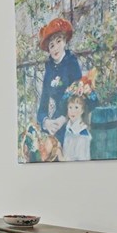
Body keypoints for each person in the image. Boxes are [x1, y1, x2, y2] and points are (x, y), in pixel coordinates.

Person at [35, 17, 82, 147]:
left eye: (58, 41)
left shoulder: (71, 62)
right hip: (56, 123)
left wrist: (64, 118)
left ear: (65, 41)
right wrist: (46, 122)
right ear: (48, 50)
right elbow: (42, 107)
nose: (55, 48)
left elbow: (80, 97)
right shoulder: (49, 70)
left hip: (75, 119)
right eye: (51, 45)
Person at [61, 95, 92, 161]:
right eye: (70, 107)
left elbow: (82, 159)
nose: (72, 111)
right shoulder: (68, 128)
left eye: (76, 107)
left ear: (82, 110)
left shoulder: (82, 133)